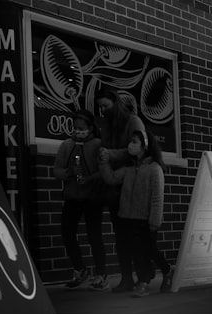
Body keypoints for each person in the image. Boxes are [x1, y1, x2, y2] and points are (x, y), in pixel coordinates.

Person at [96, 87, 172, 291]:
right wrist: (103, 160)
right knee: (122, 239)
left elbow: (157, 197)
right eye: (100, 107)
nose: (103, 110)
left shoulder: (133, 123)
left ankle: (145, 278)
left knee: (143, 244)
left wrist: (110, 155)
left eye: (106, 105)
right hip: (121, 190)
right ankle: (129, 278)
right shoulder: (107, 125)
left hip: (139, 205)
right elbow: (111, 177)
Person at [52, 111, 109, 290]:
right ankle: (79, 269)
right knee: (67, 233)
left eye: (82, 128)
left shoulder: (98, 145)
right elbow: (57, 171)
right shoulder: (67, 145)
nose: (78, 131)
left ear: (90, 128)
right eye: (75, 128)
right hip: (73, 195)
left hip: (92, 196)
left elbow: (105, 171)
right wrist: (69, 172)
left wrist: (90, 178)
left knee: (94, 235)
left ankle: (101, 272)